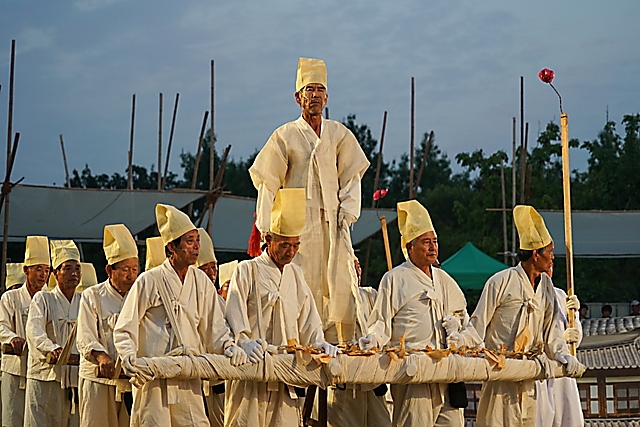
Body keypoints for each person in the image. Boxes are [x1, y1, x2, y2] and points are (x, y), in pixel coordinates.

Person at [249, 58, 370, 341]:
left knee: (338, 288)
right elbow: (268, 183)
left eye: (319, 90)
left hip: (333, 226)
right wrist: (268, 228)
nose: (314, 95)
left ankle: (334, 349)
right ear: (298, 97)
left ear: (327, 97)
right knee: (299, 287)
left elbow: (352, 177)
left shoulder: (339, 134)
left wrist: (348, 213)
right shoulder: (285, 135)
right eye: (308, 90)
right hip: (298, 231)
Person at [113, 204, 248, 427]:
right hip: (154, 379)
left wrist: (228, 346)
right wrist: (129, 358)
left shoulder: (202, 281)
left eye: (197, 240)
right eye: (189, 241)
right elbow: (124, 327)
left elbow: (215, 328)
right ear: (171, 247)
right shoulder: (150, 280)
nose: (196, 247)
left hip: (189, 376)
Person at [225, 188, 340, 427]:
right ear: (268, 240)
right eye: (285, 245)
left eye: (296, 246)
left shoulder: (295, 275)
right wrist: (244, 341)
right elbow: (233, 313)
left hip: (287, 370)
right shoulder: (247, 270)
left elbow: (308, 317)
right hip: (253, 368)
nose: (291, 252)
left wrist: (317, 341)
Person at [360, 200, 480, 427]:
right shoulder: (395, 279)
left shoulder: (445, 280)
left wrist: (457, 328)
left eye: (435, 241)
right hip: (413, 373)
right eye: (426, 242)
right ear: (410, 247)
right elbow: (381, 322)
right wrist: (374, 338)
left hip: (446, 373)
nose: (433, 247)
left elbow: (463, 317)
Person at [470, 205, 580, 427]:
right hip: (502, 372)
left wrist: (563, 354)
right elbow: (477, 326)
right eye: (549, 252)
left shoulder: (547, 286)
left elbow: (551, 334)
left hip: (530, 376)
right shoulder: (500, 282)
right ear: (535, 253)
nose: (552, 257)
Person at [76, 224, 139, 427]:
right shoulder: (92, 296)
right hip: (97, 382)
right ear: (109, 270)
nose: (131, 276)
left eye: (135, 269)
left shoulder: (139, 296)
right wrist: (101, 356)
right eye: (125, 270)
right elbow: (85, 335)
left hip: (129, 380)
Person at [24, 240, 83, 427]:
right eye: (67, 268)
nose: (74, 273)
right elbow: (34, 329)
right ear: (55, 273)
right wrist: (53, 349)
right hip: (46, 376)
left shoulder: (85, 301)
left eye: (77, 268)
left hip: (74, 376)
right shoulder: (44, 298)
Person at [327, 256, 391, 427]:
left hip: (372, 380)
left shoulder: (371, 294)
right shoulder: (330, 300)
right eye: (351, 267)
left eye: (358, 265)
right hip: (344, 384)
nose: (357, 271)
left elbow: (384, 322)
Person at [0, 236, 50, 426]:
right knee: (12, 417)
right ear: (26, 270)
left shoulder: (50, 299)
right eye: (38, 269)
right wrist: (13, 338)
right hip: (14, 369)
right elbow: (1, 325)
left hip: (41, 371)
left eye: (46, 270)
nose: (43, 275)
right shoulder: (10, 298)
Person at [535, 263, 584, 427]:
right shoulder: (529, 295)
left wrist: (575, 317)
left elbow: (575, 339)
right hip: (542, 368)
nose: (550, 269)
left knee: (568, 418)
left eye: (552, 265)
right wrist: (557, 340)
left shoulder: (560, 294)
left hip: (564, 370)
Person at [194, 227, 224, 427]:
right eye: (206, 269)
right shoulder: (187, 300)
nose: (212, 274)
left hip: (219, 379)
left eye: (214, 268)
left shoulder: (221, 302)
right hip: (194, 378)